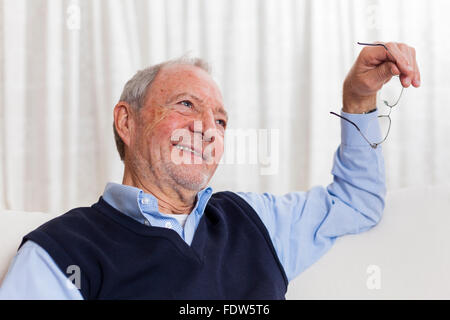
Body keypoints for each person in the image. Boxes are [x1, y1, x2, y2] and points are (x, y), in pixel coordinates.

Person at [0, 42, 420, 299]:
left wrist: (358, 97)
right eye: (186, 104)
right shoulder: (60, 252)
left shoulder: (258, 223)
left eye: (220, 120)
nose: (206, 128)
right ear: (127, 122)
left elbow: (357, 203)